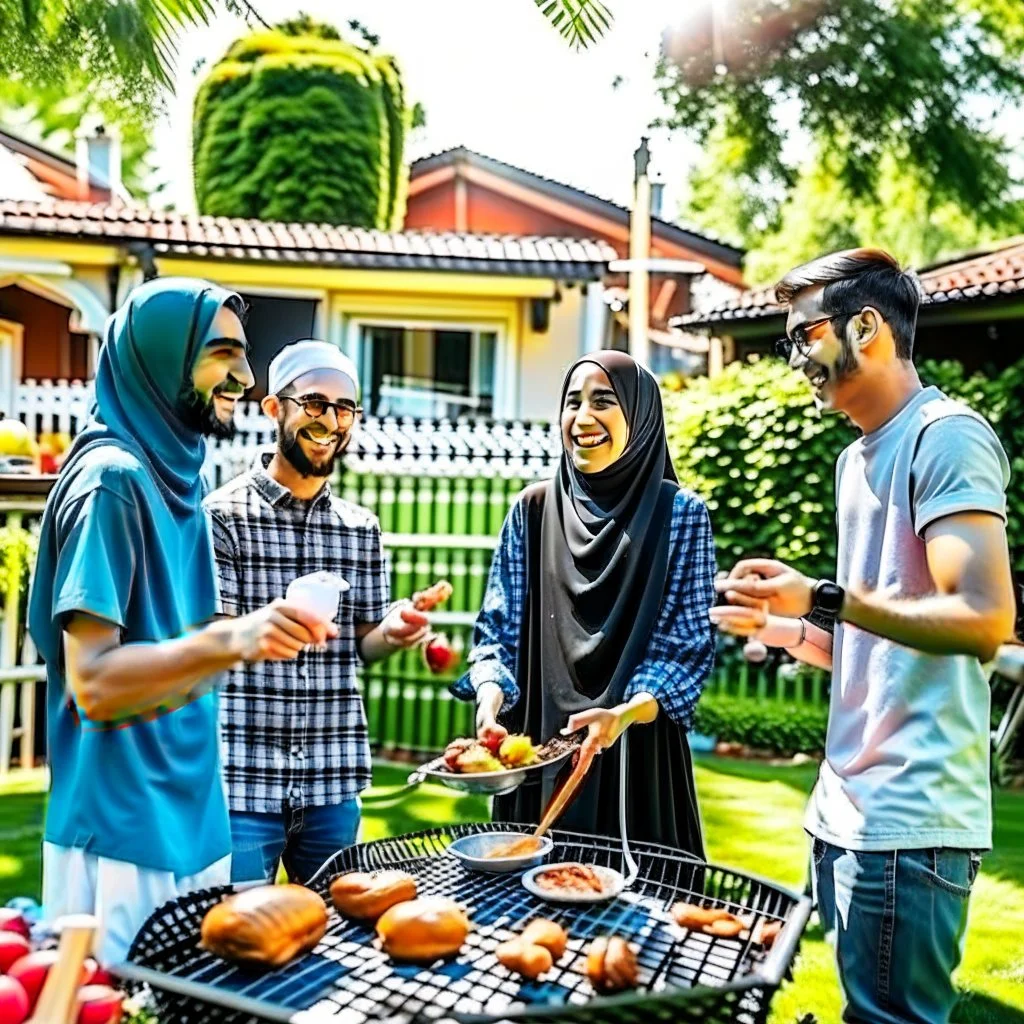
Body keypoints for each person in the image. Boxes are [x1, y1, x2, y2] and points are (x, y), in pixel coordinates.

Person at [711, 249, 1016, 1024]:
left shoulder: (945, 438)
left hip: (907, 821)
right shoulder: (855, 459)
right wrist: (784, 628)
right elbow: (873, 644)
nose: (793, 358)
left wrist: (821, 595)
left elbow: (983, 620)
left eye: (803, 335)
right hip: (843, 809)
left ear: (867, 327)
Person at [28, 279, 334, 964]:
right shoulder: (111, 483)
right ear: (162, 357)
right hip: (122, 835)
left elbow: (175, 645)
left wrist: (251, 633)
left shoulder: (178, 476)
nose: (246, 378)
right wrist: (234, 639)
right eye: (221, 353)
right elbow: (96, 684)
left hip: (193, 816)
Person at [452, 351, 716, 853]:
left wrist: (623, 714)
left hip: (636, 760)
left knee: (641, 923)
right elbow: (498, 629)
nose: (583, 418)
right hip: (535, 755)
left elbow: (683, 648)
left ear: (639, 418)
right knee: (526, 921)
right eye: (572, 402)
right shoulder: (531, 508)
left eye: (603, 401)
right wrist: (490, 698)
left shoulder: (679, 514)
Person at [204, 340, 441, 884]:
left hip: (333, 781)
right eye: (313, 402)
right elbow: (212, 642)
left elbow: (363, 643)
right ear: (274, 408)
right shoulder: (222, 517)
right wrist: (266, 625)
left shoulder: (361, 529)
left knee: (334, 945)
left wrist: (394, 629)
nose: (330, 420)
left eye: (344, 408)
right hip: (243, 779)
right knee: (239, 942)